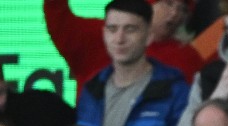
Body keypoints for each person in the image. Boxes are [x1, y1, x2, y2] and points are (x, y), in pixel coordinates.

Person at [44, 0, 204, 89]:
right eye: (168, 3)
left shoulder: (187, 57)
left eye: (182, 9)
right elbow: (58, 17)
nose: (175, 14)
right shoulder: (101, 35)